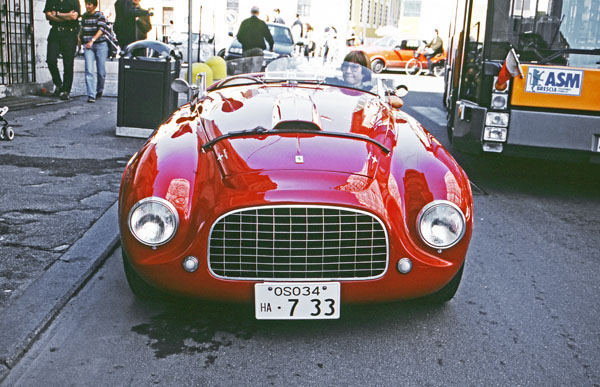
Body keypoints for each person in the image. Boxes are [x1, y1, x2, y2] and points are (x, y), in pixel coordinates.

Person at [44, 0, 81, 101]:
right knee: (50, 60)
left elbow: (74, 17)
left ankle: (66, 90)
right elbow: (48, 16)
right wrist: (66, 16)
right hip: (55, 33)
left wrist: (56, 14)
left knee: (68, 63)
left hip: (69, 34)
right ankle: (59, 84)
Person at [79, 0, 108, 103]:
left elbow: (101, 29)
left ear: (94, 5)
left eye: (89, 4)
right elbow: (82, 29)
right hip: (88, 46)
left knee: (101, 71)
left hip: (100, 44)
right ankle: (91, 95)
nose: (87, 6)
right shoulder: (84, 16)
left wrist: (93, 40)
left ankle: (99, 89)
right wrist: (79, 40)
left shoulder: (100, 15)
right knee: (89, 70)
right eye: (86, 4)